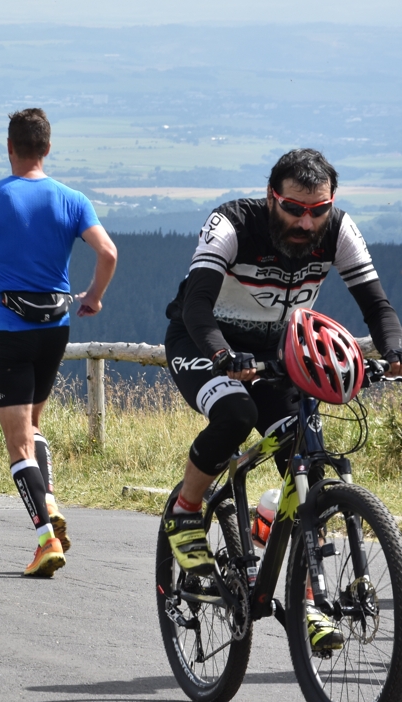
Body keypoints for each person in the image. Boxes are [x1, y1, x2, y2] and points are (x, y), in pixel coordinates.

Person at [161, 147, 402, 651]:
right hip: (203, 342)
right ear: (272, 198)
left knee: (307, 456)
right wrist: (222, 354)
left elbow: (377, 306)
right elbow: (197, 306)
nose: (306, 222)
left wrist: (395, 353)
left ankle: (308, 595)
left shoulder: (339, 230)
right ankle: (186, 509)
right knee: (236, 413)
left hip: (279, 354)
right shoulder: (232, 223)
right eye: (294, 208)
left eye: (318, 210)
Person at [0, 107, 117, 578]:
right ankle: (49, 500)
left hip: (8, 330)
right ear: (48, 148)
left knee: (17, 445)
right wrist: (94, 296)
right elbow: (108, 252)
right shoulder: (72, 199)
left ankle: (46, 539)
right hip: (55, 328)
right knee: (33, 424)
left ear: (9, 148)